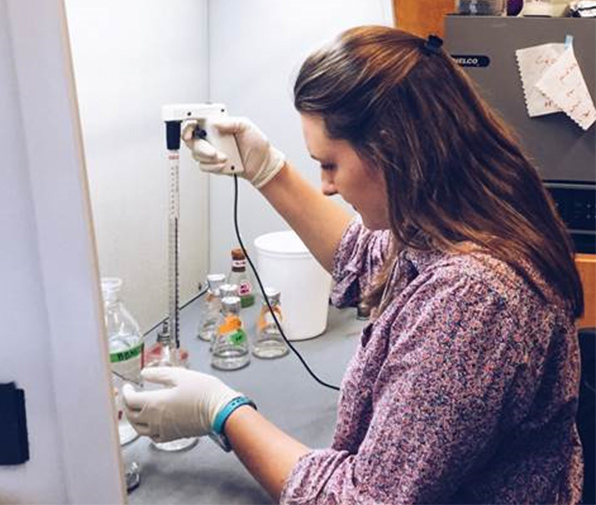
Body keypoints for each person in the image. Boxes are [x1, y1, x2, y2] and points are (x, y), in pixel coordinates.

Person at [123, 26, 584, 504]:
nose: (325, 185)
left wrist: (222, 411)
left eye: (330, 164)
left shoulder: (472, 302)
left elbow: (362, 499)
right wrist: (265, 168)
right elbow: (361, 256)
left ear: (393, 150)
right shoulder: (463, 215)